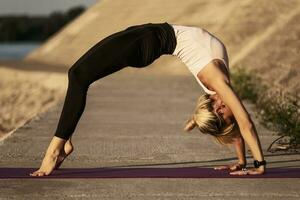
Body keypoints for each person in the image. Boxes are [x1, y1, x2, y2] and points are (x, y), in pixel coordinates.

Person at [30, 22, 266, 177]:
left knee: (78, 75)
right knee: (78, 74)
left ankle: (55, 150)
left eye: (217, 109)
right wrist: (245, 162)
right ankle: (65, 141)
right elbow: (242, 124)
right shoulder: (221, 86)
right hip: (148, 33)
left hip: (148, 42)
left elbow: (239, 124)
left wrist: (258, 165)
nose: (221, 104)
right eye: (220, 109)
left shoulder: (217, 84)